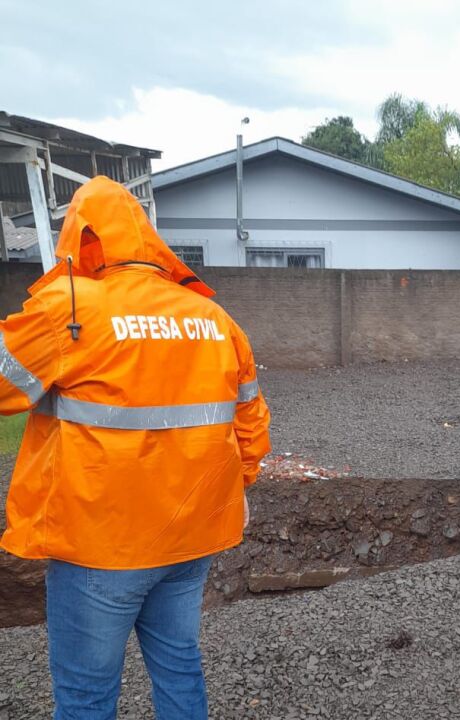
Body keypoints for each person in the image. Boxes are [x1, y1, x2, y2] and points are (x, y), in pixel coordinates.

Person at [0, 176, 271, 719]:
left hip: (100, 544)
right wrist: (238, 485)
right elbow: (252, 424)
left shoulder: (69, 308)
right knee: (178, 668)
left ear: (80, 235)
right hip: (190, 538)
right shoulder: (215, 320)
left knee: (86, 698)